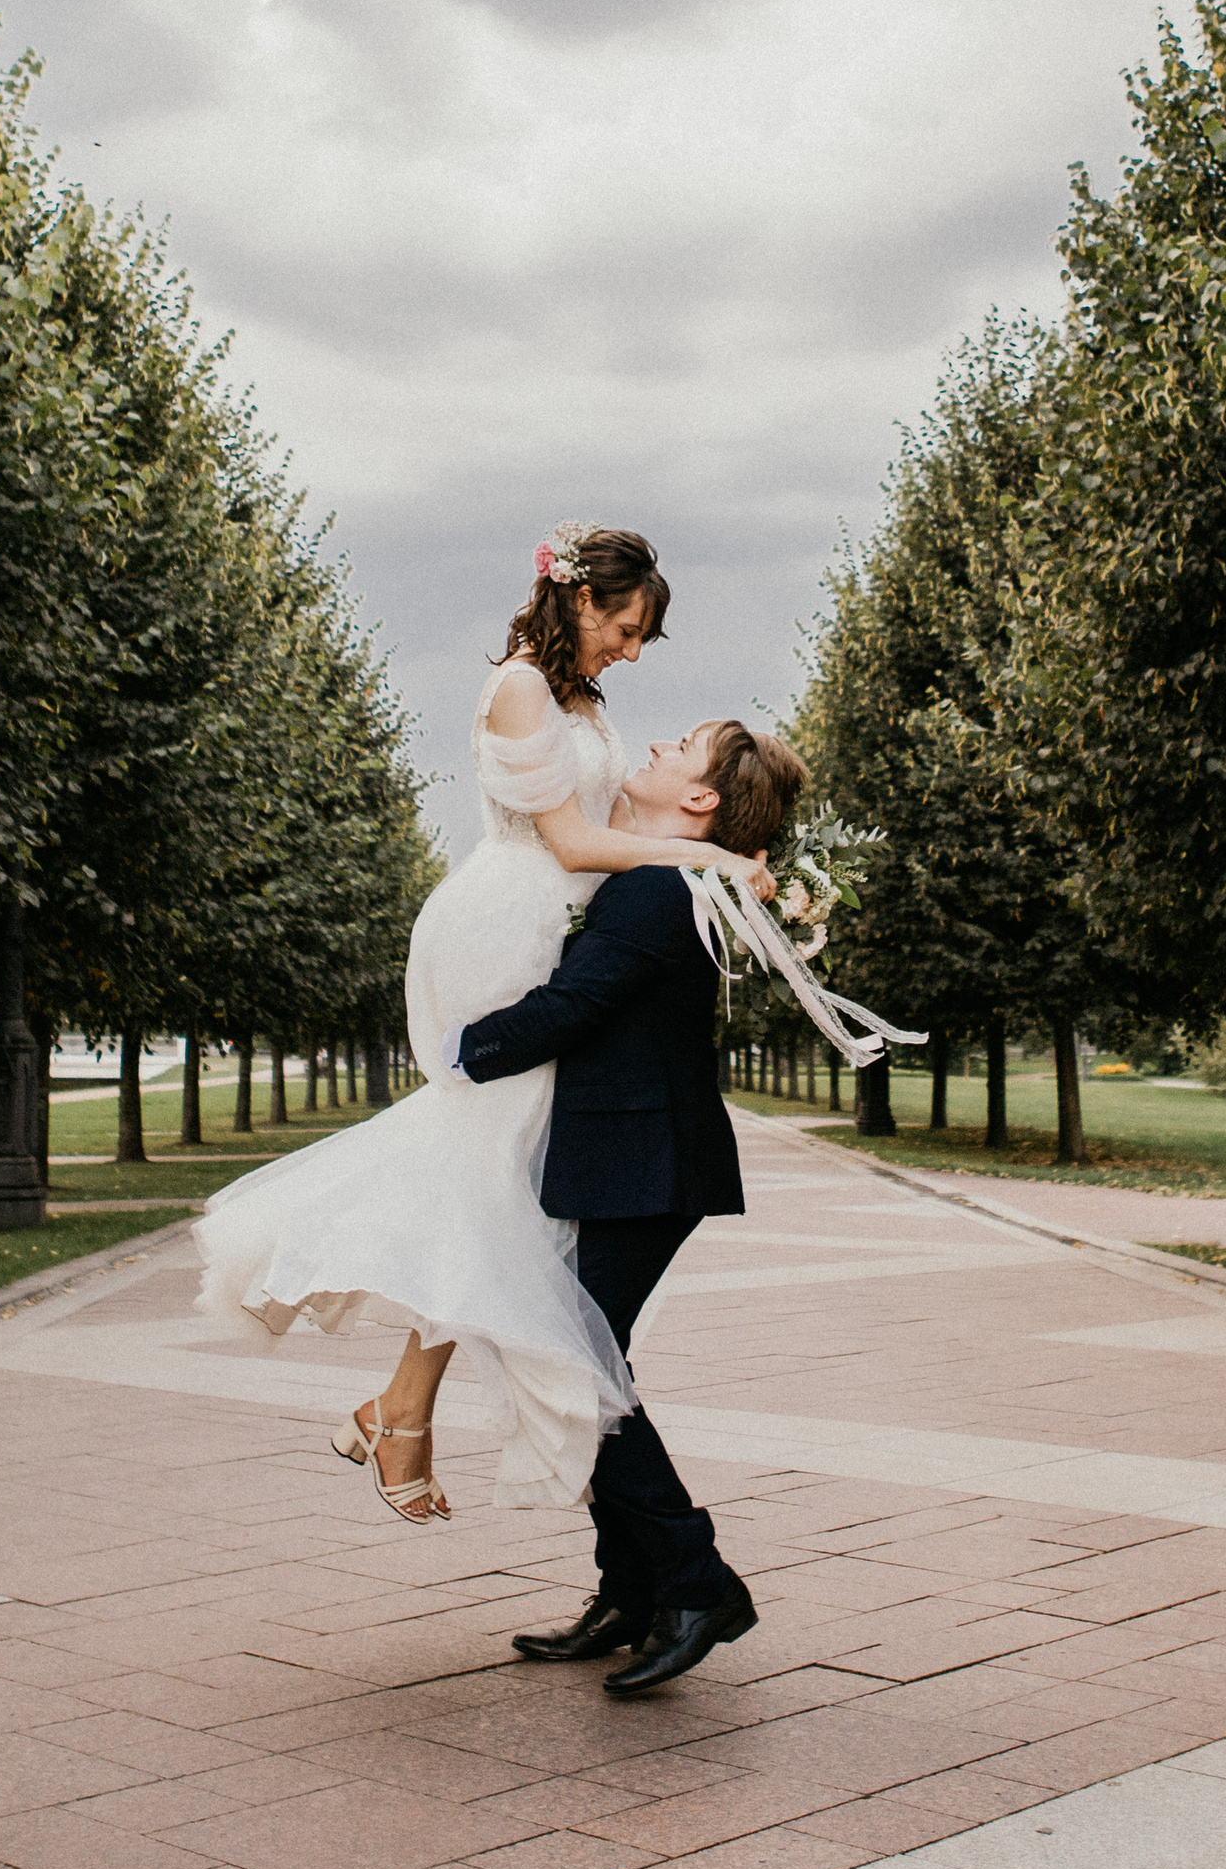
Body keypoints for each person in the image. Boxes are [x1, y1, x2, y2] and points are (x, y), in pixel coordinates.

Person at [192, 525, 775, 1520]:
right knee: (491, 1175)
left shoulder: (580, 698)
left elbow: (620, 830)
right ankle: (397, 1415)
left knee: (492, 1189)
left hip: (555, 917)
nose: (631, 652)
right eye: (627, 628)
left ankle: (397, 1412)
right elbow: (574, 839)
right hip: (503, 923)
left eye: (644, 639)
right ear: (579, 600)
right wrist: (715, 860)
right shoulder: (519, 687)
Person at [451, 714, 803, 1695]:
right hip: (630, 1154)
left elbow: (572, 1009)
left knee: (569, 1358)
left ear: (698, 802)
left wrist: (452, 1050)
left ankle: (696, 1584)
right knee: (580, 1357)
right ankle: (635, 1590)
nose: (652, 749)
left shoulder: (655, 888)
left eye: (676, 749)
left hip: (645, 1159)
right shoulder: (660, 875)